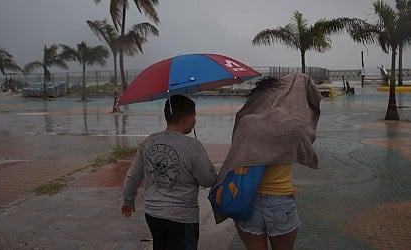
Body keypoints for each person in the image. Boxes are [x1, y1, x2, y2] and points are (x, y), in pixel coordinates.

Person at [214, 72, 321, 250]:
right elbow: (309, 133)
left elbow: (235, 159)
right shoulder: (293, 125)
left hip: (248, 201)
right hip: (281, 200)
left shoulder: (247, 122)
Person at [121, 95, 218, 250]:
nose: (195, 121)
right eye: (194, 116)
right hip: (182, 217)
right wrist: (212, 170)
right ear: (186, 119)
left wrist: (128, 199)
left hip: (153, 214)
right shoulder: (192, 146)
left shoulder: (149, 141)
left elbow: (134, 174)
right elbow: (207, 180)